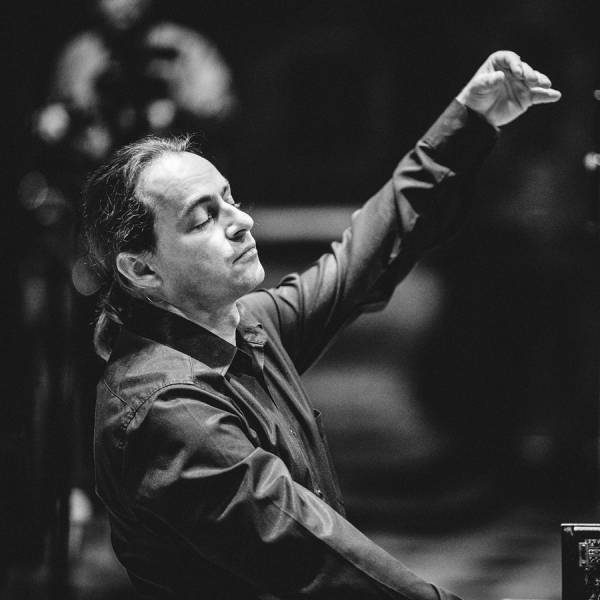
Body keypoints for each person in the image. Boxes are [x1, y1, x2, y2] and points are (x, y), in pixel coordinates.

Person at [83, 51, 560, 599]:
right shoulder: (170, 410)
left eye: (230, 200)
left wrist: (468, 119)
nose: (242, 222)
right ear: (141, 269)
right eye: (204, 218)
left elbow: (365, 257)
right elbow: (317, 555)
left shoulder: (240, 326)